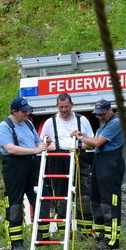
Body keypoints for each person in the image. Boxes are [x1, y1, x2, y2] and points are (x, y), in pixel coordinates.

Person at [0, 97, 52, 250]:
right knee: (15, 204)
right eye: (23, 111)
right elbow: (11, 149)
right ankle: (16, 242)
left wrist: (44, 144)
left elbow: (38, 142)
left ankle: (43, 237)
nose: (27, 113)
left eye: (28, 110)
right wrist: (35, 150)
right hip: (14, 167)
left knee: (43, 198)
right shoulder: (5, 126)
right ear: (14, 111)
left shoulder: (28, 123)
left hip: (32, 165)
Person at [41, 94, 94, 239]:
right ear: (57, 106)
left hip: (78, 157)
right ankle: (64, 232)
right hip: (58, 160)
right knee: (61, 197)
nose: (64, 110)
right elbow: (42, 144)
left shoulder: (82, 120)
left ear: (72, 105)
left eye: (66, 106)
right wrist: (53, 146)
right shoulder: (49, 122)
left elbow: (91, 142)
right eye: (61, 107)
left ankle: (85, 233)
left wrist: (77, 145)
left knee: (84, 196)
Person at [74, 99, 124, 250]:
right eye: (97, 115)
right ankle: (101, 235)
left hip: (111, 163)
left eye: (102, 114)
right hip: (99, 162)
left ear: (110, 110)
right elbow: (90, 143)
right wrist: (73, 144)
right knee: (96, 200)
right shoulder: (102, 125)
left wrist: (81, 137)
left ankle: (112, 239)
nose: (99, 117)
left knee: (110, 202)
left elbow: (97, 142)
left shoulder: (116, 123)